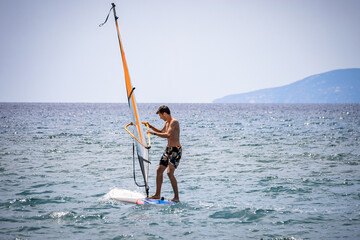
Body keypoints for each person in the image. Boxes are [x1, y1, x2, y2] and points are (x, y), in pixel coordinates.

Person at [143, 105, 182, 202]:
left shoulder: (174, 122)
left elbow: (168, 135)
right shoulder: (167, 123)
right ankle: (157, 195)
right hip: (168, 150)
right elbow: (161, 131)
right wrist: (150, 126)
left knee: (169, 173)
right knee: (159, 170)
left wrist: (152, 133)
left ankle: (176, 197)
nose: (160, 117)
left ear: (165, 114)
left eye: (160, 115)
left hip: (175, 150)